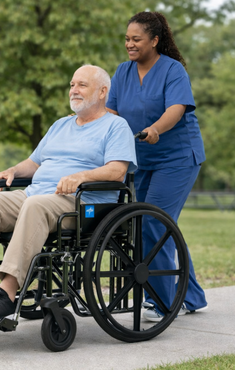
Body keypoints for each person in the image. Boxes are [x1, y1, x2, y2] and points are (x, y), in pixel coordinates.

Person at [0, 64, 137, 322]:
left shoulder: (116, 127)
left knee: (35, 205)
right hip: (36, 195)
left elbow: (117, 171)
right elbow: (35, 163)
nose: (74, 90)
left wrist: (80, 177)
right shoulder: (60, 125)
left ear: (103, 91)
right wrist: (13, 170)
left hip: (83, 204)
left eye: (82, 85)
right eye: (72, 85)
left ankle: (6, 294)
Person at [106, 11, 208, 322]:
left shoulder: (172, 70)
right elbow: (110, 111)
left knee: (153, 223)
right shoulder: (123, 72)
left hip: (177, 158)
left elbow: (176, 109)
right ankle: (189, 296)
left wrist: (156, 129)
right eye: (127, 39)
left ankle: (162, 302)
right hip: (143, 161)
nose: (130, 44)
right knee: (154, 224)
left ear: (154, 40)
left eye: (136, 39)